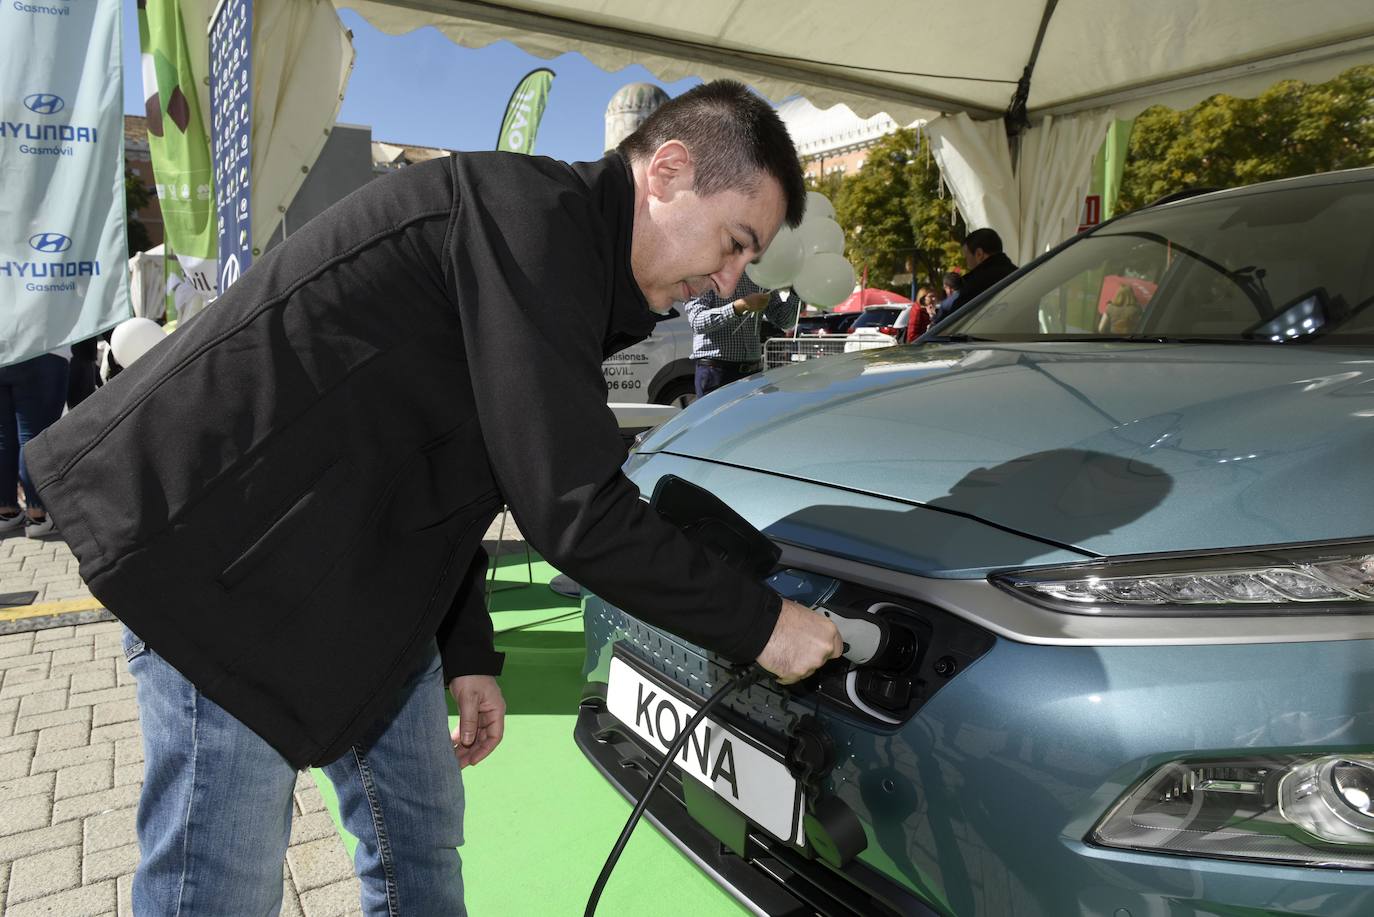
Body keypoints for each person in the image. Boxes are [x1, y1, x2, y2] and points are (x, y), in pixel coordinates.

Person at [25, 81, 843, 916]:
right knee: (219, 884)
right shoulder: (531, 221)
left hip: (344, 579)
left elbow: (447, 473)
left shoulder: (562, 260)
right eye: (735, 242)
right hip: (219, 558)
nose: (729, 280)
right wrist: (764, 625)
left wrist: (467, 651)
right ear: (667, 170)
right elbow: (571, 505)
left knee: (419, 834)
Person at [685, 275, 801, 397]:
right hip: (717, 371)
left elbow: (784, 321)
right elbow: (697, 321)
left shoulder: (757, 274)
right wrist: (740, 306)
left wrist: (797, 291)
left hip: (753, 372)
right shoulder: (705, 271)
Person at [0, 351, 70, 539]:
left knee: (3, 436)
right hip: (41, 348)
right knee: (34, 437)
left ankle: (6, 511)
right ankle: (38, 514)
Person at [943, 228, 1018, 317]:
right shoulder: (1021, 274)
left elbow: (954, 321)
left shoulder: (974, 286)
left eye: (967, 257)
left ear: (979, 254)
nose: (967, 264)